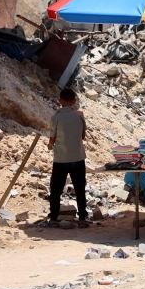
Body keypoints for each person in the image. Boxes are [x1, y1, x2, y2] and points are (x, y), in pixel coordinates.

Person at [46, 88, 89, 228]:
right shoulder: (79, 115)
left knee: (56, 190)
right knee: (80, 189)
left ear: (60, 101)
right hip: (77, 157)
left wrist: (50, 145)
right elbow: (82, 136)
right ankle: (82, 218)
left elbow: (52, 139)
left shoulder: (56, 117)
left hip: (60, 159)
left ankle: (53, 218)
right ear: (74, 101)